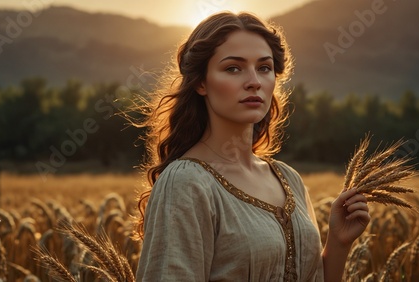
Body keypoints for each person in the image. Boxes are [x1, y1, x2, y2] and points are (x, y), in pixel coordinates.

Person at [135, 11, 370, 281]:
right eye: (233, 68)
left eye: (264, 68)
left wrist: (338, 245)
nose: (254, 82)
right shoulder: (186, 183)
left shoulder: (288, 178)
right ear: (201, 82)